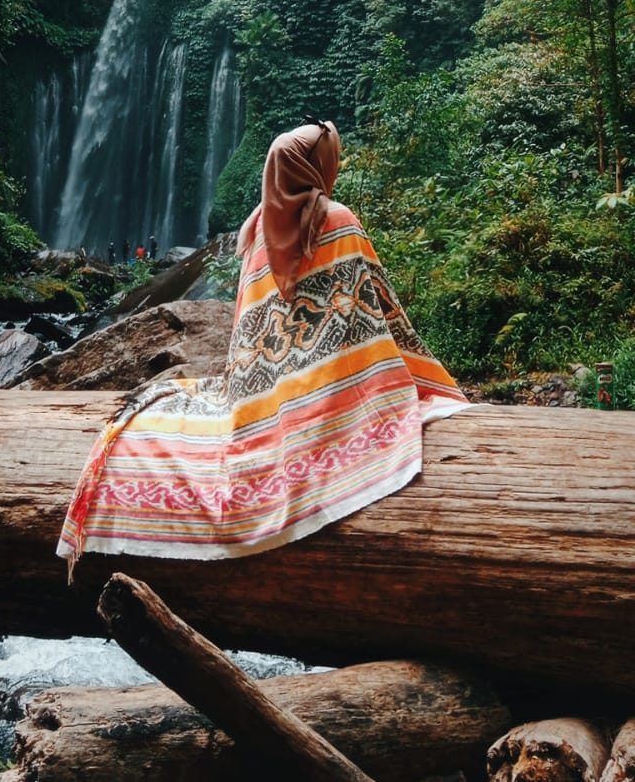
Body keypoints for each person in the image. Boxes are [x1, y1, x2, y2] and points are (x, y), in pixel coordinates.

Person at [58, 120, 468, 570]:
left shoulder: (254, 232)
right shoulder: (338, 221)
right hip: (329, 388)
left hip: (260, 387)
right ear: (317, 168)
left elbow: (248, 331)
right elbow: (376, 315)